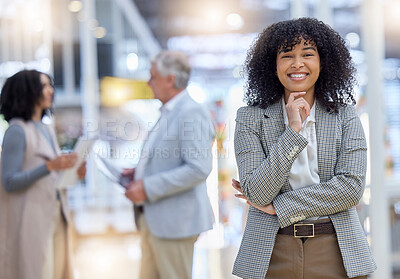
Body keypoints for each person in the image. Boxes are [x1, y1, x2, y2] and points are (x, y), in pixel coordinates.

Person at [231, 18, 376, 279]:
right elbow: (257, 192)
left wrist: (280, 207)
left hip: (336, 248)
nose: (297, 64)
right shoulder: (249, 118)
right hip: (271, 250)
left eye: (307, 54)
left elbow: (351, 189)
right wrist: (292, 132)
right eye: (287, 55)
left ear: (324, 62)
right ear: (272, 65)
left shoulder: (345, 116)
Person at [124, 50, 215, 279]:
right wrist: (139, 172)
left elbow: (198, 168)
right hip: (155, 219)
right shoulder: (168, 112)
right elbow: (169, 158)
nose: (148, 82)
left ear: (170, 80)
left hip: (175, 223)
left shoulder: (191, 112)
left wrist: (147, 186)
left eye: (153, 76)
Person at [0, 69, 86, 279]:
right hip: (30, 218)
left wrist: (74, 173)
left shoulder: (46, 130)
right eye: (44, 86)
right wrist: (49, 167)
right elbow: (9, 182)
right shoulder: (17, 131)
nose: (50, 91)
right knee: (37, 271)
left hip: (56, 213)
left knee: (57, 271)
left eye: (50, 85)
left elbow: (52, 179)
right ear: (28, 92)